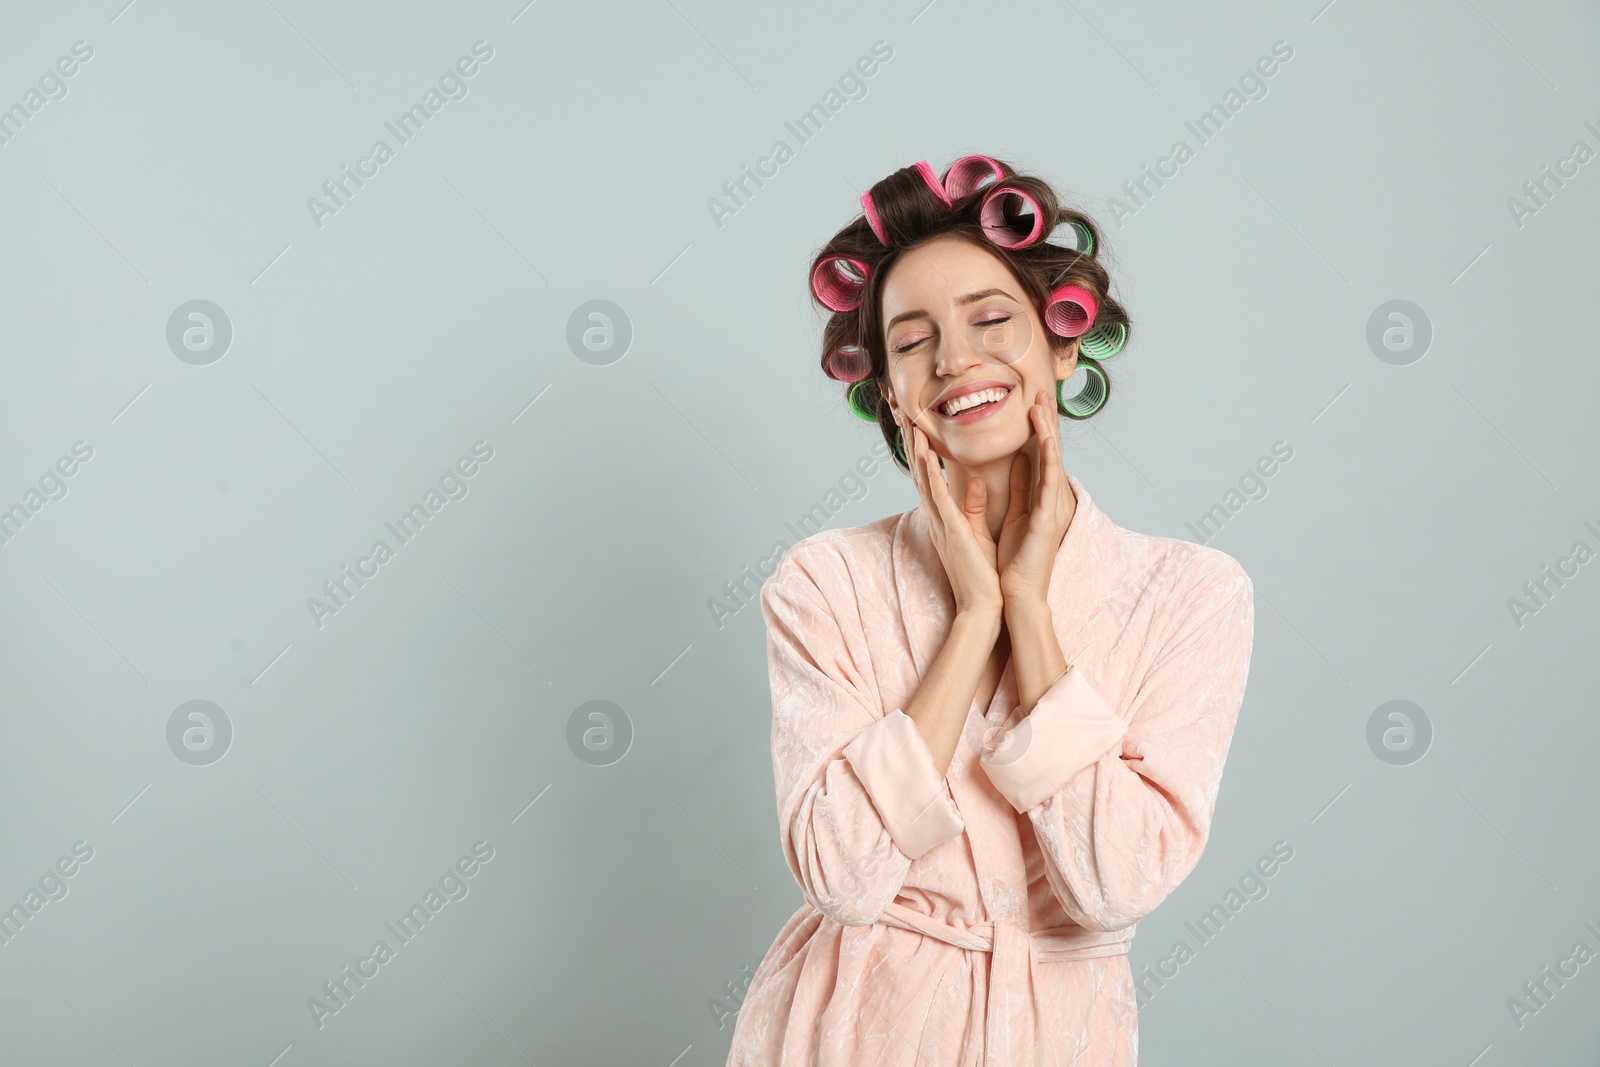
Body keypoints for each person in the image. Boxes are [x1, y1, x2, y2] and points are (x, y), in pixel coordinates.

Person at [724, 155, 1256, 1066]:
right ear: (891, 392)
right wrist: (971, 620)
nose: (956, 360)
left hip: (1058, 1035)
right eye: (913, 338)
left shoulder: (1191, 593)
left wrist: (1026, 610)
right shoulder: (825, 582)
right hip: (847, 1029)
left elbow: (1113, 881)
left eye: (991, 319)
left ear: (1062, 342)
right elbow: (843, 877)